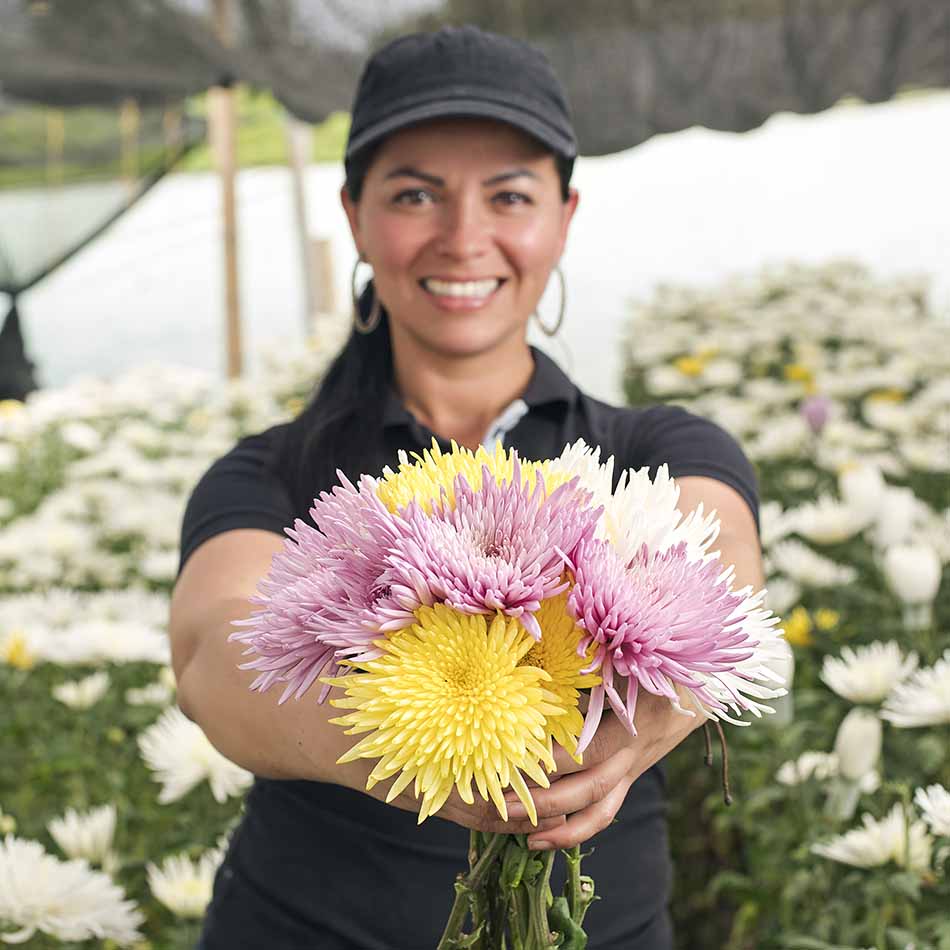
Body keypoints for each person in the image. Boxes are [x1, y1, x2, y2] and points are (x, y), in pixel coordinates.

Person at [171, 25, 764, 950]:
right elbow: (214, 656)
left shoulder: (653, 449)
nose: (463, 238)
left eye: (510, 195)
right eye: (415, 193)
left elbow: (726, 575)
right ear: (357, 216)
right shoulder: (271, 474)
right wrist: (419, 746)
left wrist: (634, 729)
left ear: (563, 219)